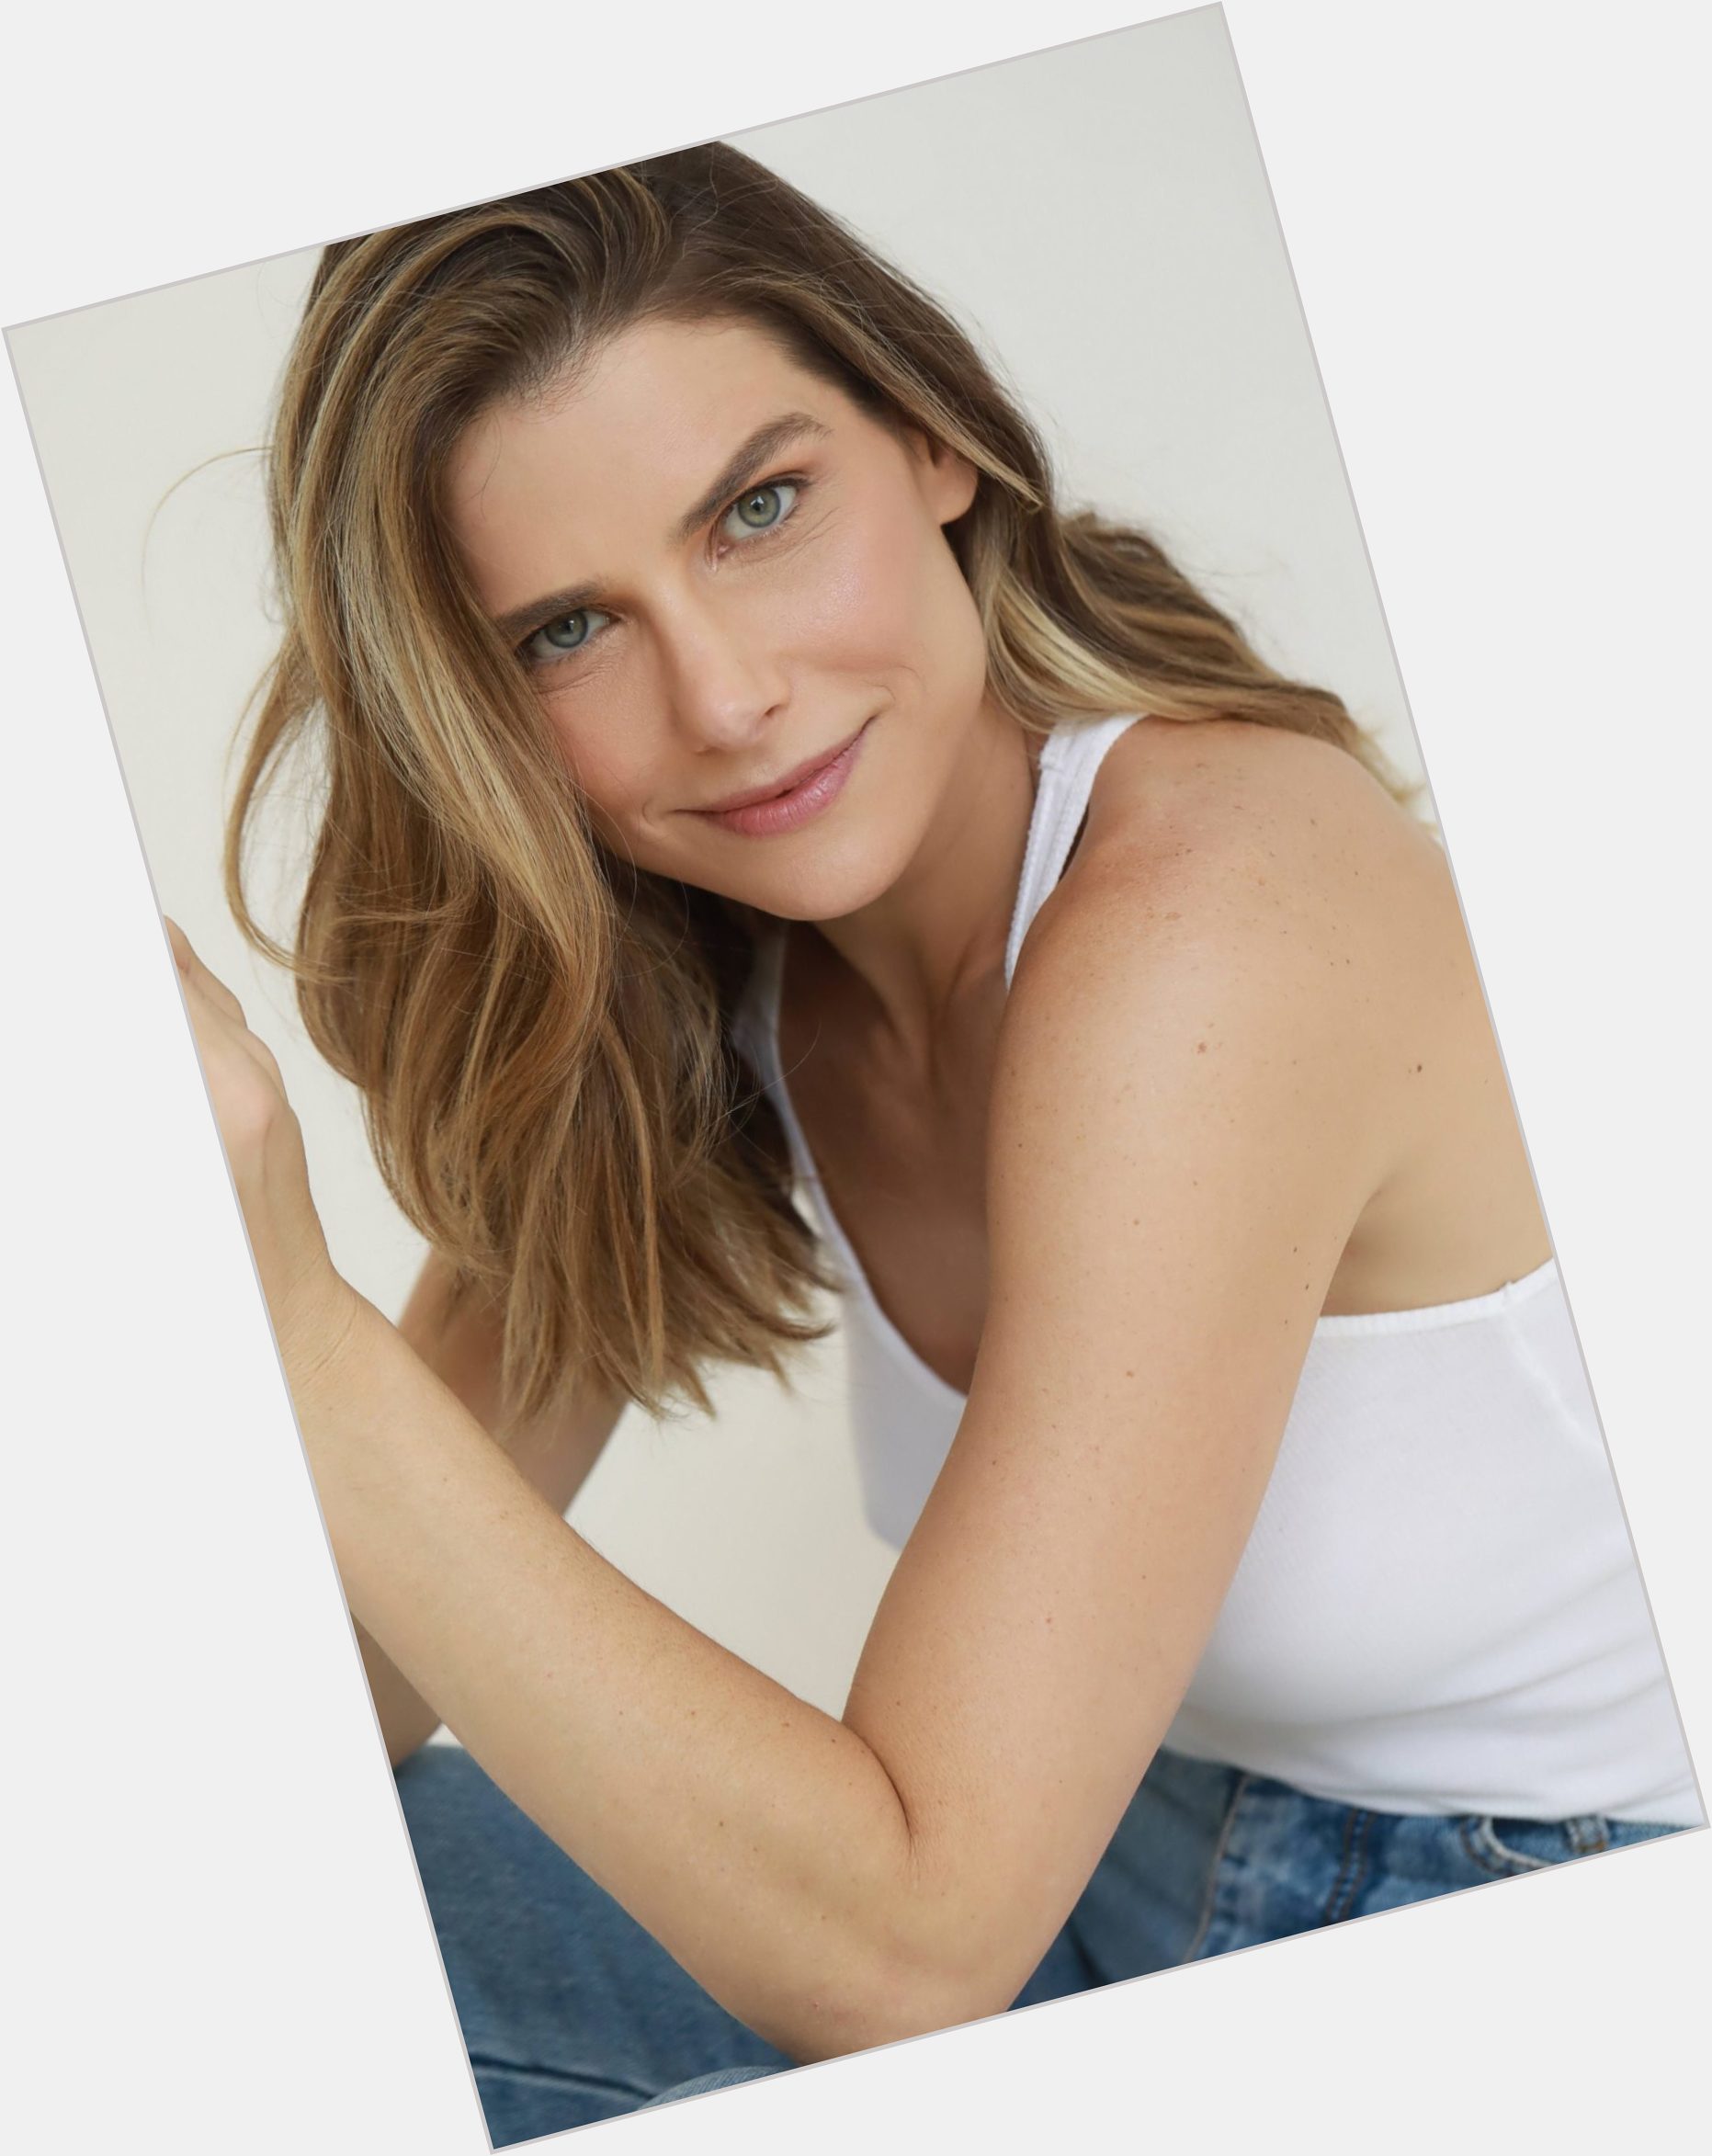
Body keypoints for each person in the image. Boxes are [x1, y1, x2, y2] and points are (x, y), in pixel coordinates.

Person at [166, 144, 1698, 2143]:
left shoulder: (1212, 919)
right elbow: (342, 1697)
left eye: (760, 509)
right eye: (566, 631)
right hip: (1112, 1868)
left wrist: (293, 1317)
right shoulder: (708, 967)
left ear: (934, 438)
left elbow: (907, 1948)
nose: (727, 699)